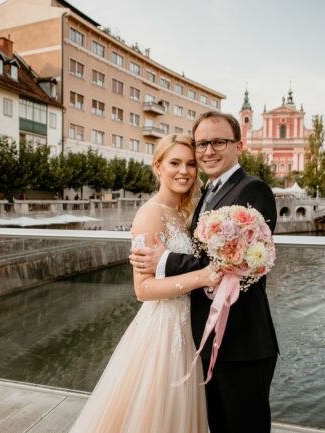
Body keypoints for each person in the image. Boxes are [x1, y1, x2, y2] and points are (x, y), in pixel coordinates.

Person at [131, 111, 279, 433]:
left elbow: (231, 264)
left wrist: (166, 260)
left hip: (242, 343)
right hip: (204, 339)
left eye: (218, 142)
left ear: (238, 145)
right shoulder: (207, 195)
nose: (208, 151)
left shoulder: (253, 190)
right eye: (202, 144)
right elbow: (203, 258)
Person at [68, 134, 221, 433]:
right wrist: (203, 276)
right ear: (158, 166)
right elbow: (143, 289)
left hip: (189, 324)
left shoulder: (185, 211)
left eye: (190, 164)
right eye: (174, 163)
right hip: (164, 328)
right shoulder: (150, 215)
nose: (184, 171)